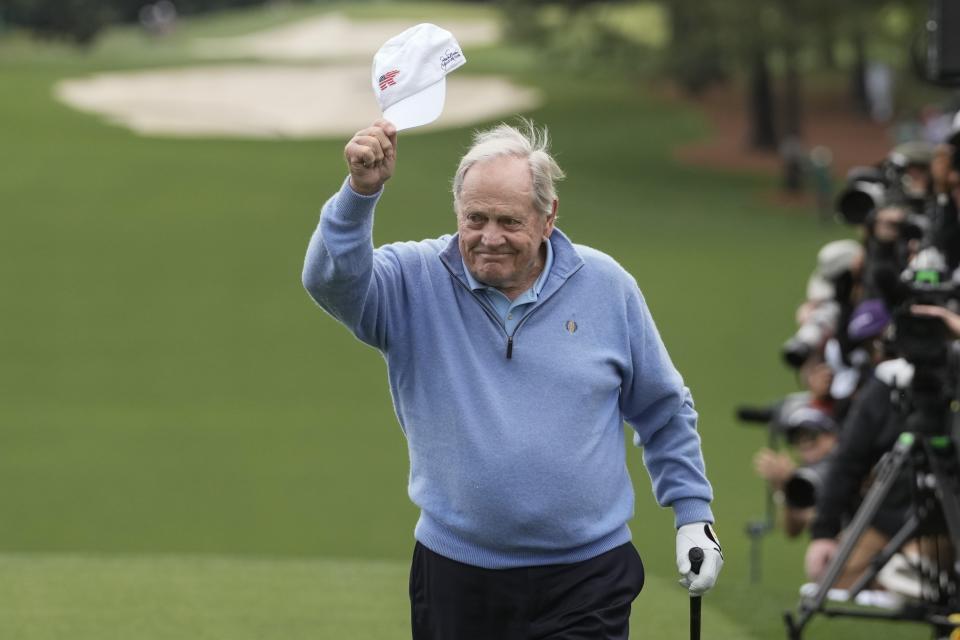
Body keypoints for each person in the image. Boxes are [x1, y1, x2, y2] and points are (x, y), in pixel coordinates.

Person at [301, 118, 722, 639]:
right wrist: (359, 195)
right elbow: (329, 281)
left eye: (509, 221)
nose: (489, 238)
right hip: (457, 575)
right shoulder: (413, 280)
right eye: (474, 218)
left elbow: (662, 408)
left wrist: (692, 513)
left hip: (586, 577)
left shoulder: (607, 287)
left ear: (549, 218)